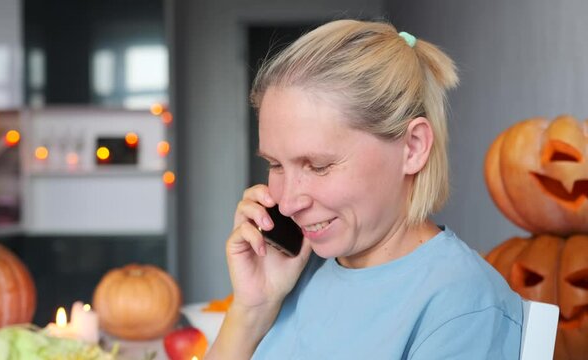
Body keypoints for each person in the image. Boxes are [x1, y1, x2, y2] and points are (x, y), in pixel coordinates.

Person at [207, 19, 523, 359]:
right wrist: (252, 309)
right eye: (275, 165)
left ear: (413, 148)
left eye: (319, 166)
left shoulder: (461, 307)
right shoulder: (296, 272)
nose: (286, 204)